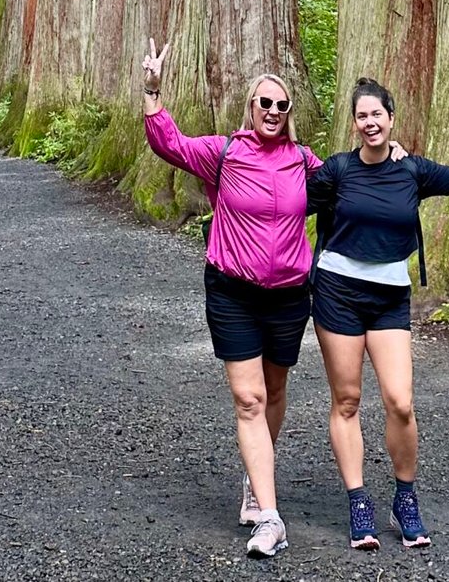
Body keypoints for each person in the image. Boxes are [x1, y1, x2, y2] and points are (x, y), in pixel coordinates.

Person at [307, 78, 449, 552]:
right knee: (346, 400)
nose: (370, 123)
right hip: (337, 292)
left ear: (391, 118)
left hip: (389, 295)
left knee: (400, 401)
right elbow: (288, 200)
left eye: (377, 115)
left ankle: (404, 497)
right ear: (355, 123)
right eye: (362, 116)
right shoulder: (337, 171)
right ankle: (357, 501)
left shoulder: (412, 171)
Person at [142, 39, 319, 560]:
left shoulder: (305, 163)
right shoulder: (225, 152)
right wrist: (153, 90)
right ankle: (270, 515)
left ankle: (253, 476)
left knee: (275, 387)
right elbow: (168, 143)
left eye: (281, 105)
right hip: (233, 292)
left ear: (289, 114)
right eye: (265, 102)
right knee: (249, 399)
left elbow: (349, 183)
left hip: (289, 295)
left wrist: (389, 155)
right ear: (251, 107)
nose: (272, 111)